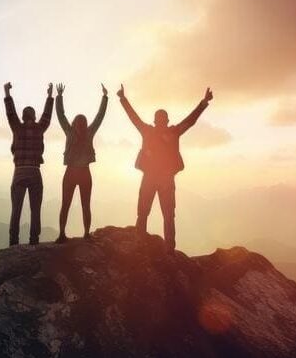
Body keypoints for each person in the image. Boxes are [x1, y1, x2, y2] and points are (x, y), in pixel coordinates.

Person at [117, 84, 213, 252]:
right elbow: (190, 121)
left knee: (145, 212)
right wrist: (203, 103)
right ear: (165, 121)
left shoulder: (147, 130)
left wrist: (123, 99)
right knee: (167, 215)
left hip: (151, 177)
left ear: (156, 121)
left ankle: (142, 243)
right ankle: (168, 249)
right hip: (165, 179)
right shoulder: (173, 132)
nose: (161, 123)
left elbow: (134, 118)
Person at [54, 82, 108, 243]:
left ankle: (82, 233)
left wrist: (105, 98)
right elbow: (61, 115)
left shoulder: (78, 132)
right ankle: (67, 234)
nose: (80, 125)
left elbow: (99, 116)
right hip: (77, 172)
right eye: (80, 122)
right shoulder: (80, 132)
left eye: (82, 122)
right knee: (68, 204)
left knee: (80, 204)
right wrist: (59, 97)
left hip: (77, 172)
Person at [3, 81, 53, 246]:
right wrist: (49, 96)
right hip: (34, 172)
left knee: (16, 210)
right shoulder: (40, 128)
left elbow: (10, 113)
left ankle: (13, 242)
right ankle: (34, 241)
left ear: (23, 117)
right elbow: (47, 115)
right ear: (34, 116)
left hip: (19, 172)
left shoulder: (16, 127)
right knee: (35, 210)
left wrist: (7, 93)